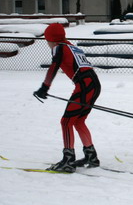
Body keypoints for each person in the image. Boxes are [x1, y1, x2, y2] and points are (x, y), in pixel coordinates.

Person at [33, 23, 102, 172]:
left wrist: (44, 87)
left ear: (53, 40)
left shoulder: (59, 47)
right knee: (78, 121)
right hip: (94, 84)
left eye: (47, 41)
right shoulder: (71, 46)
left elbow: (54, 66)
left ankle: (68, 160)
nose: (48, 44)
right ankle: (91, 156)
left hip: (84, 86)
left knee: (66, 122)